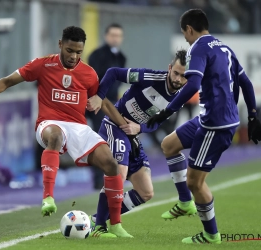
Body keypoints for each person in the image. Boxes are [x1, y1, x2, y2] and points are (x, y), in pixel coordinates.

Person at [0, 26, 133, 238]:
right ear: (60, 44)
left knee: (111, 165)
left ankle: (115, 226)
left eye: (78, 52)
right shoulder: (43, 64)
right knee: (55, 136)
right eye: (69, 50)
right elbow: (8, 81)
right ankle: (48, 197)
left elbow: (102, 102)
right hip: (48, 123)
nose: (74, 56)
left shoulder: (89, 74)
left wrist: (123, 124)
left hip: (78, 126)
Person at [146, 9, 261, 244]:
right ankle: (186, 203)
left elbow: (192, 84)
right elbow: (246, 83)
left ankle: (211, 234)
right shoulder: (224, 48)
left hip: (215, 125)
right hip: (209, 117)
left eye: (185, 34)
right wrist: (252, 116)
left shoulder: (197, 47)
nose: (186, 39)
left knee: (194, 182)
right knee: (169, 144)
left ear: (189, 29)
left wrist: (167, 111)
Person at [86, 49, 188, 229]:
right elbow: (113, 73)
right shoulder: (149, 77)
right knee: (119, 174)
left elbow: (157, 123)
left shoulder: (180, 97)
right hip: (114, 125)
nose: (178, 79)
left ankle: (96, 219)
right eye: (176, 73)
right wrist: (99, 96)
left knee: (145, 192)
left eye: (183, 76)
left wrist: (139, 127)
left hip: (132, 135)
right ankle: (101, 226)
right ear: (169, 68)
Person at [88, 23, 126, 189]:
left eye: (118, 35)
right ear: (106, 36)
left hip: (114, 104)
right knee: (99, 140)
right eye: (112, 35)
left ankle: (113, 177)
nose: (115, 38)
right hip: (98, 103)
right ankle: (97, 180)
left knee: (114, 140)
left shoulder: (121, 57)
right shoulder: (96, 55)